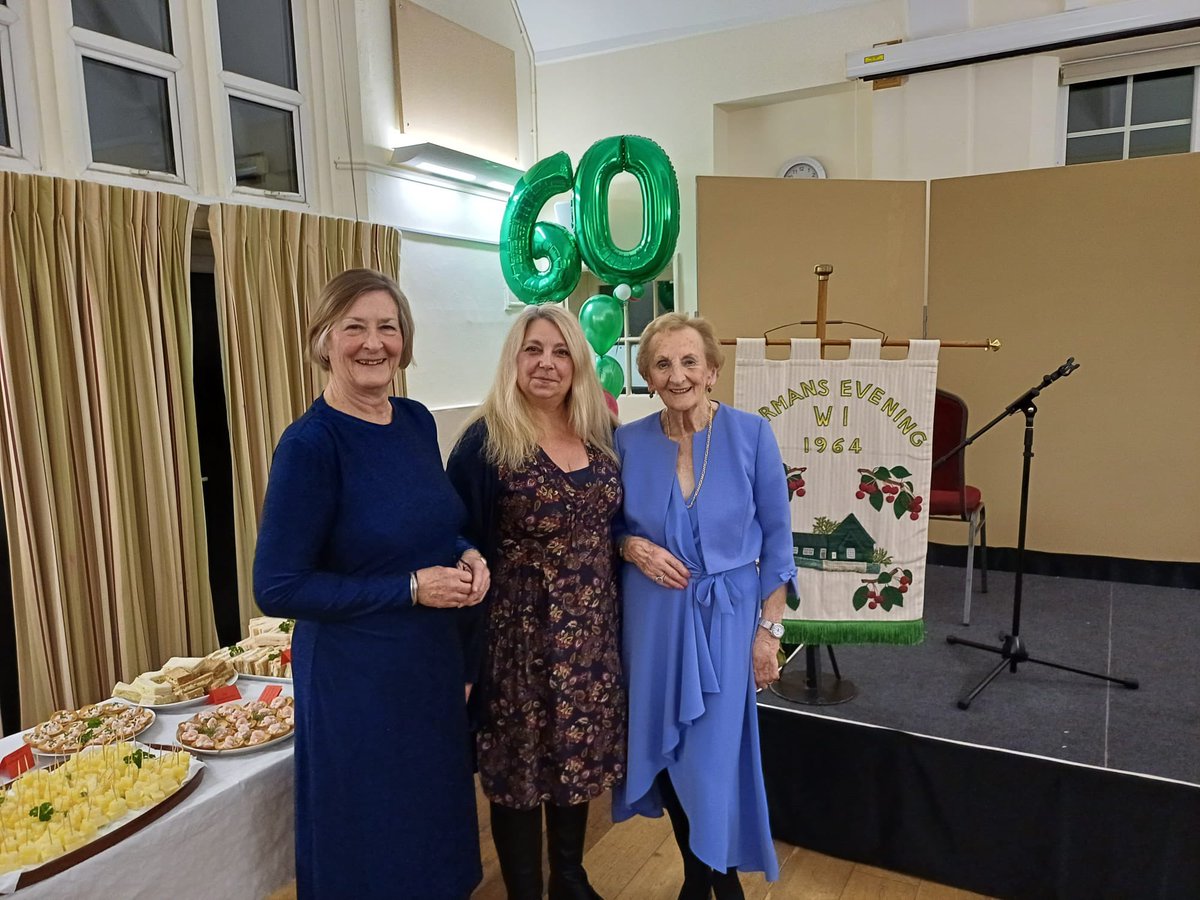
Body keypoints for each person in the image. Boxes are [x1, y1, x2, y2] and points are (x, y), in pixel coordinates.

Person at [253, 268, 489, 900]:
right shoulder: (310, 446)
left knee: (429, 821)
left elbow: (438, 518)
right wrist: (408, 588)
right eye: (353, 326)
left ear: (404, 342)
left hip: (427, 666)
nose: (372, 342)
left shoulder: (413, 422)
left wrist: (467, 553)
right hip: (356, 680)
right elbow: (277, 586)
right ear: (324, 340)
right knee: (372, 835)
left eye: (387, 327)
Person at [612, 313, 796, 899]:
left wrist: (769, 632)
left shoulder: (752, 434)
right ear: (648, 376)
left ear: (713, 371)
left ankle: (715, 882)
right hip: (654, 618)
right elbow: (606, 525)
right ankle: (701, 878)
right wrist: (630, 544)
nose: (678, 375)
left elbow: (778, 541)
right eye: (663, 364)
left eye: (690, 361)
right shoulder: (628, 441)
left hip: (728, 616)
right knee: (662, 748)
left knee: (713, 755)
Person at [447, 305, 626, 900]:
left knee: (575, 758)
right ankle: (525, 889)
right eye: (532, 350)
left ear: (577, 361)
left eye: (559, 351)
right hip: (517, 642)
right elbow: (454, 535)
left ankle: (570, 879)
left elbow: (616, 522)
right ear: (513, 360)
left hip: (593, 639)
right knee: (519, 772)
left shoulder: (600, 433)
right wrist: (463, 662)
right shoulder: (486, 442)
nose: (546, 363)